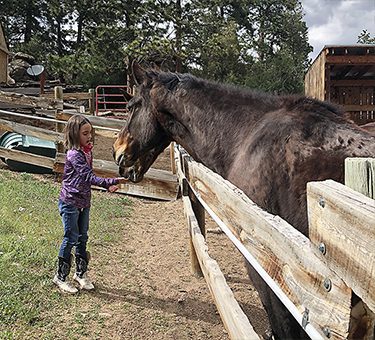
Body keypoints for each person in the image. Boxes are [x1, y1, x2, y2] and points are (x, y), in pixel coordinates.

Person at [53, 114, 126, 294]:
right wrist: (111, 181)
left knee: (82, 238)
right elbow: (88, 177)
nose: (89, 137)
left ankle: (80, 274)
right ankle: (60, 277)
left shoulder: (87, 152)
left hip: (84, 202)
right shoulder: (74, 154)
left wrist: (107, 187)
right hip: (70, 202)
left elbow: (86, 179)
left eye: (90, 133)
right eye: (85, 134)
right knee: (70, 237)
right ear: (74, 134)